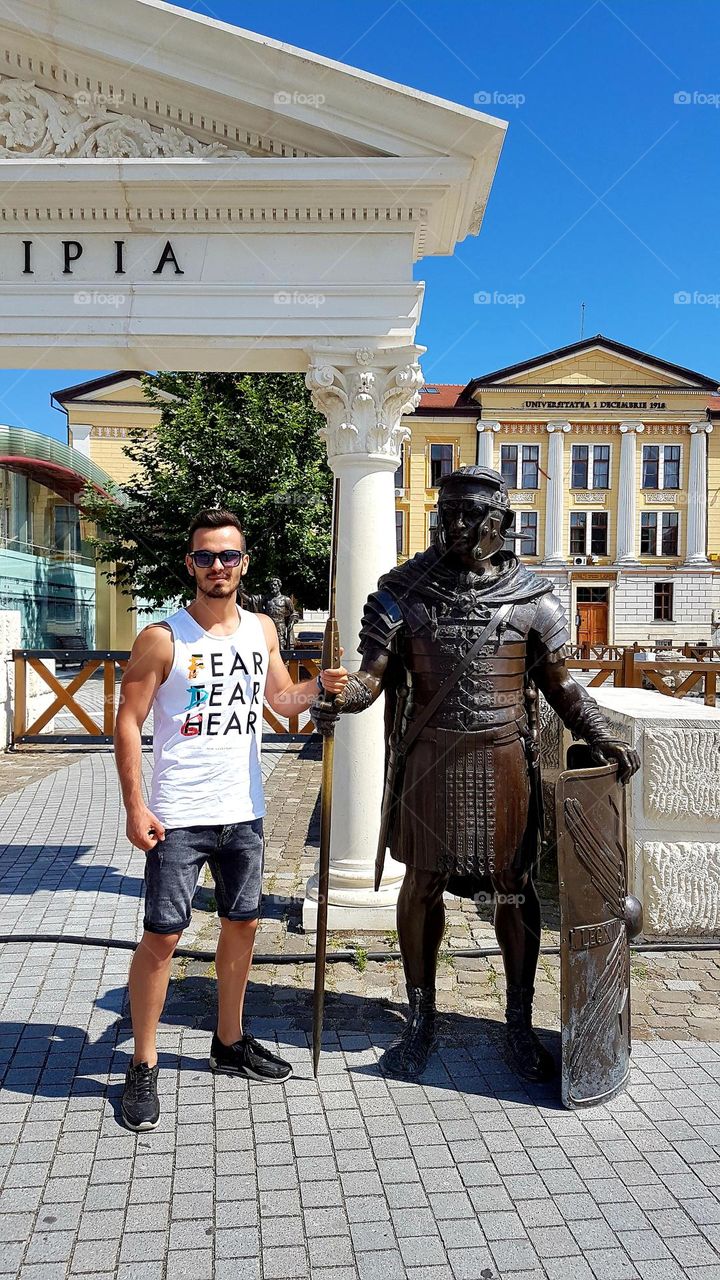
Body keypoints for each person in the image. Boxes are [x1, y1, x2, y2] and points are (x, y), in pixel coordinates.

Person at [312, 466, 639, 1083]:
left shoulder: (533, 598)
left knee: (513, 888)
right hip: (431, 760)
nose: (455, 525)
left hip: (504, 760)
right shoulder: (401, 592)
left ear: (501, 524)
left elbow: (560, 685)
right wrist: (341, 697)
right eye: (448, 513)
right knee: (423, 883)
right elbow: (372, 679)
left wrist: (598, 730)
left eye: (471, 515)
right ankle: (421, 1017)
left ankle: (517, 1022)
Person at [115, 508, 347, 1130]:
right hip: (178, 815)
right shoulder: (162, 638)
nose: (218, 566)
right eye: (205, 557)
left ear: (244, 564)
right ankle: (142, 1062)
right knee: (164, 935)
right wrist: (136, 806)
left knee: (242, 925)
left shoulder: (261, 629)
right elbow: (128, 722)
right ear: (189, 564)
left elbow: (280, 702)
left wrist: (319, 687)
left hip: (242, 811)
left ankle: (228, 1042)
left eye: (228, 556)